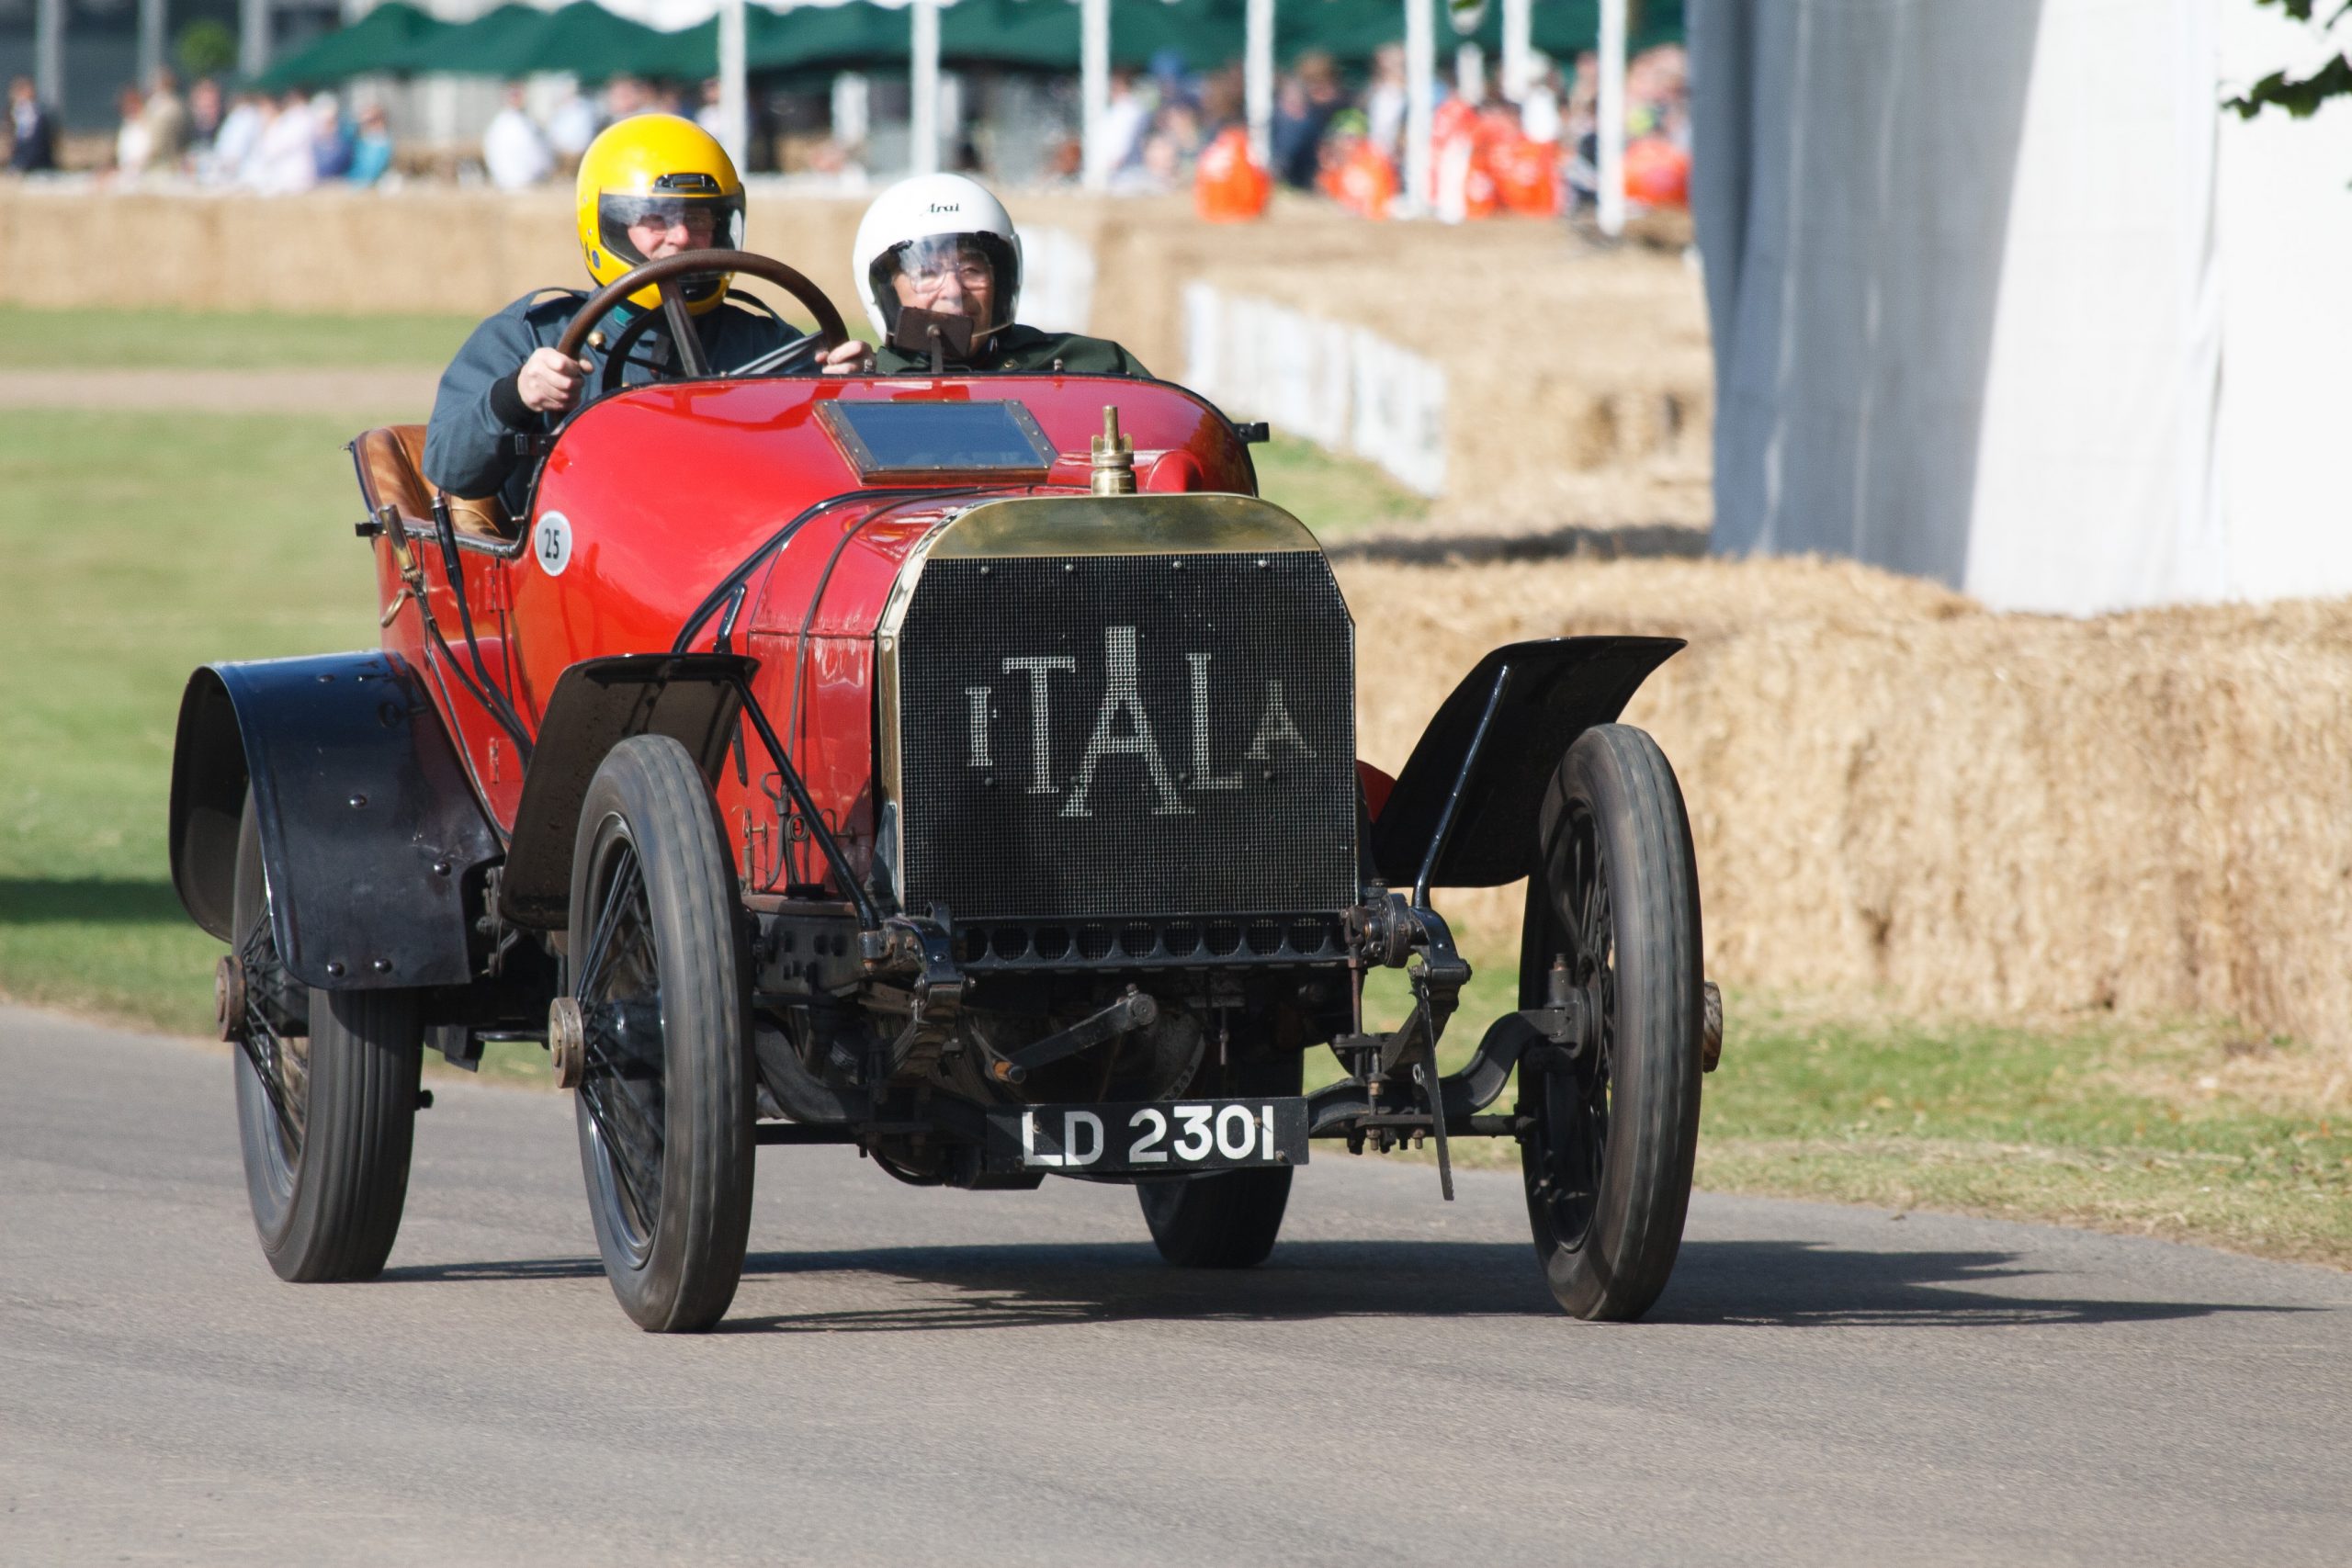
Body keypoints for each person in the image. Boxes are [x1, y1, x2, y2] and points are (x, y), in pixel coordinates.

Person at [424, 114, 865, 514]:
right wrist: (515, 396)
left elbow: (836, 480)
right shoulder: (532, 337)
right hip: (580, 558)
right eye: (655, 218)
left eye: (699, 218)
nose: (681, 237)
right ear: (608, 226)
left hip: (736, 555)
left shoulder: (765, 342)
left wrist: (852, 391)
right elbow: (449, 468)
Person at [850, 174, 1148, 377]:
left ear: (1001, 283)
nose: (953, 290)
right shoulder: (855, 392)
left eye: (971, 270)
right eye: (927, 274)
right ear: (887, 292)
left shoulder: (1091, 366)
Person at [482, 84, 552, 190]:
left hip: (506, 181)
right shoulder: (517, 124)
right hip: (523, 181)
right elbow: (535, 155)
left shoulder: (501, 123)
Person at [7, 77, 58, 174]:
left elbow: (40, 143)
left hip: (40, 166)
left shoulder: (39, 114)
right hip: (18, 164)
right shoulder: (12, 114)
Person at [346, 103, 394, 186]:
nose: (366, 126)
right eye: (364, 123)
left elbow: (371, 174)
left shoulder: (383, 145)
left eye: (371, 121)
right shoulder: (361, 143)